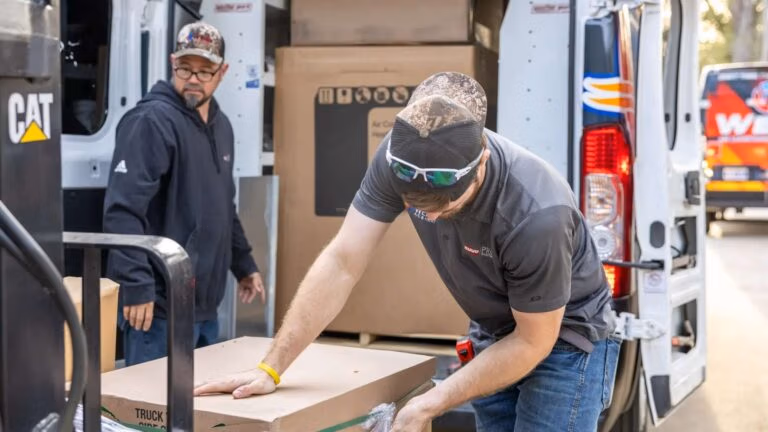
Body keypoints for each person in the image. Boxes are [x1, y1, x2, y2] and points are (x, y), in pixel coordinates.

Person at [194, 72, 621, 432]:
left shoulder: (535, 214)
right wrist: (271, 368)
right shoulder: (399, 157)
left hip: (563, 340)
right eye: (416, 206)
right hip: (494, 329)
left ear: (482, 162)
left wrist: (432, 401)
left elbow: (532, 342)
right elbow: (343, 261)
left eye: (445, 205)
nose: (429, 216)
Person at [103, 21, 264, 367]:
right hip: (158, 307)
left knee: (197, 410)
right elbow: (122, 212)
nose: (193, 78)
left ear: (222, 73)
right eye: (186, 68)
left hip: (205, 305)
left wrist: (244, 264)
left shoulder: (221, 127)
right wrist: (137, 286)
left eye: (205, 71)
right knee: (151, 414)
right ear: (172, 62)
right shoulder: (150, 122)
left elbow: (224, 205)